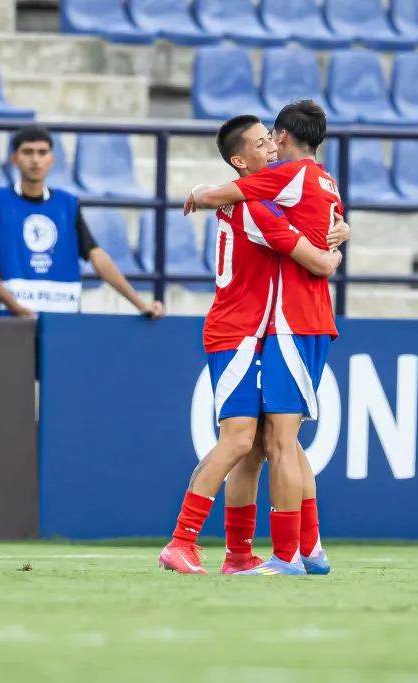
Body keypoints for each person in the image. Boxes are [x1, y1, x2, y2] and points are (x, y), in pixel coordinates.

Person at [160, 114, 347, 575]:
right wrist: (335, 248)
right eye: (261, 144)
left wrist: (338, 227)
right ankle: (182, 541)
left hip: (254, 331)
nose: (271, 148)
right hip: (240, 333)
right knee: (242, 438)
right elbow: (317, 260)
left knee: (263, 445)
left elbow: (316, 217)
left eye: (272, 139)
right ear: (240, 161)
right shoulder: (256, 209)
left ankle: (241, 554)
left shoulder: (271, 199)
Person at [0, 125, 163, 319]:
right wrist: (15, 306)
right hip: (10, 321)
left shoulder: (67, 203)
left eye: (42, 152)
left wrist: (140, 304)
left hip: (63, 319)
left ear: (52, 159)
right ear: (14, 159)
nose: (35, 160)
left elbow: (98, 258)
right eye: (28, 152)